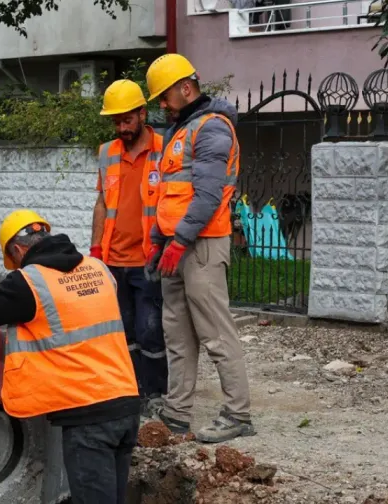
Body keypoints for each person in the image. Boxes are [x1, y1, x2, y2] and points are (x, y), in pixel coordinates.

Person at [0, 209, 140, 504]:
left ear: (17, 250)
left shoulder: (30, 283)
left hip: (88, 417)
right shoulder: (99, 270)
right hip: (127, 406)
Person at [143, 53, 255, 443]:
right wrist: (161, 243)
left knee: (215, 332)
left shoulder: (211, 129)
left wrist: (180, 241)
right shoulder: (182, 129)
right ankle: (177, 412)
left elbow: (207, 196)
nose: (160, 104)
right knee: (177, 333)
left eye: (163, 95)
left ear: (185, 88)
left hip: (202, 245)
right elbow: (168, 196)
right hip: (178, 245)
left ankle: (238, 414)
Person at [92, 79, 167, 415]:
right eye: (116, 121)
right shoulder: (107, 152)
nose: (121, 127)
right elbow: (102, 203)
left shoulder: (166, 149)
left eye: (127, 120)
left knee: (150, 329)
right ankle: (133, 390)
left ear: (142, 113)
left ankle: (156, 393)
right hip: (113, 260)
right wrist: (96, 251)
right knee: (124, 328)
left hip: (148, 260)